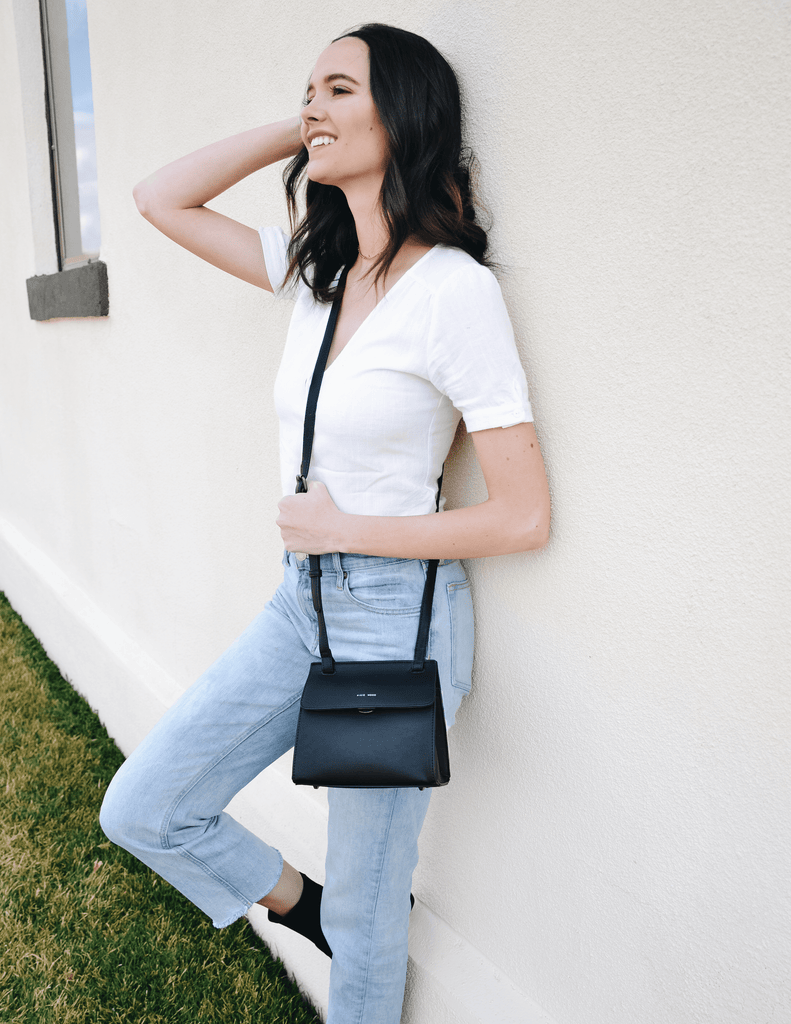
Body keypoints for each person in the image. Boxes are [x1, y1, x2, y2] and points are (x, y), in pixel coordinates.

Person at [100, 22, 550, 1024]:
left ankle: (352, 925)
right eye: (308, 90)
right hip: (301, 602)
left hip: (398, 621)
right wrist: (299, 127)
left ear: (403, 115)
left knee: (371, 917)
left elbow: (520, 515)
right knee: (143, 805)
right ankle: (312, 908)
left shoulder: (454, 294)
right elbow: (157, 197)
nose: (313, 105)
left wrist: (349, 527)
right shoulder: (314, 273)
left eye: (339, 90)